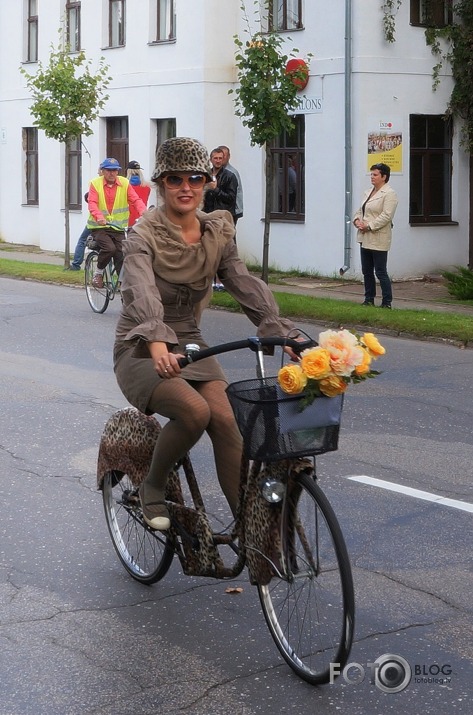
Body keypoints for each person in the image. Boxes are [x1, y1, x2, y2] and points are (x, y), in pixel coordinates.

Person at [113, 136, 300, 531]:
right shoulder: (143, 235)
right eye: (175, 179)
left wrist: (281, 331)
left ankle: (249, 526)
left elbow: (241, 281)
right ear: (162, 183)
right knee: (193, 412)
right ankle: (152, 486)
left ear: (207, 182)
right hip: (142, 343)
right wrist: (158, 344)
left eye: (195, 179)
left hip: (190, 338)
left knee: (227, 420)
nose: (186, 188)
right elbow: (141, 290)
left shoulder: (216, 232)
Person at [87, 157, 147, 288]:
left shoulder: (125, 183)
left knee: (122, 253)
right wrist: (99, 217)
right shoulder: (95, 184)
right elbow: (92, 203)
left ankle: (124, 286)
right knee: (109, 248)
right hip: (99, 227)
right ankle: (98, 273)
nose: (112, 173)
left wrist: (144, 212)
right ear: (102, 171)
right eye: (108, 170)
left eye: (115, 170)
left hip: (118, 227)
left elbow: (135, 199)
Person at [353, 162, 398, 309]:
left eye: (375, 174)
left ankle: (386, 302)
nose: (372, 177)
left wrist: (369, 226)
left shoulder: (389, 194)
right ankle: (369, 298)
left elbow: (386, 216)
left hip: (378, 236)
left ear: (384, 177)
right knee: (367, 270)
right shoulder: (368, 192)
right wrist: (357, 221)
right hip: (364, 236)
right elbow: (361, 210)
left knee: (380, 271)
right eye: (371, 174)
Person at [203, 147, 238, 290]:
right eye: (215, 158)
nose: (217, 161)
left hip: (223, 218)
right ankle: (210, 279)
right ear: (211, 159)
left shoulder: (230, 176)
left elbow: (231, 198)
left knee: (224, 250)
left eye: (220, 158)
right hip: (208, 216)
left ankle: (223, 281)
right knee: (210, 249)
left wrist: (215, 189)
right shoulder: (206, 175)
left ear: (224, 159)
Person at [218, 145, 243, 224]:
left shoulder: (232, 173)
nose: (223, 157)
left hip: (232, 210)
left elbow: (232, 195)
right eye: (221, 155)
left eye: (225, 155)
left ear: (229, 156)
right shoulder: (214, 172)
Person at [126, 160, 152, 227]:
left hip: (128, 221)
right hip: (142, 220)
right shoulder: (147, 187)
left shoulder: (125, 187)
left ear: (128, 171)